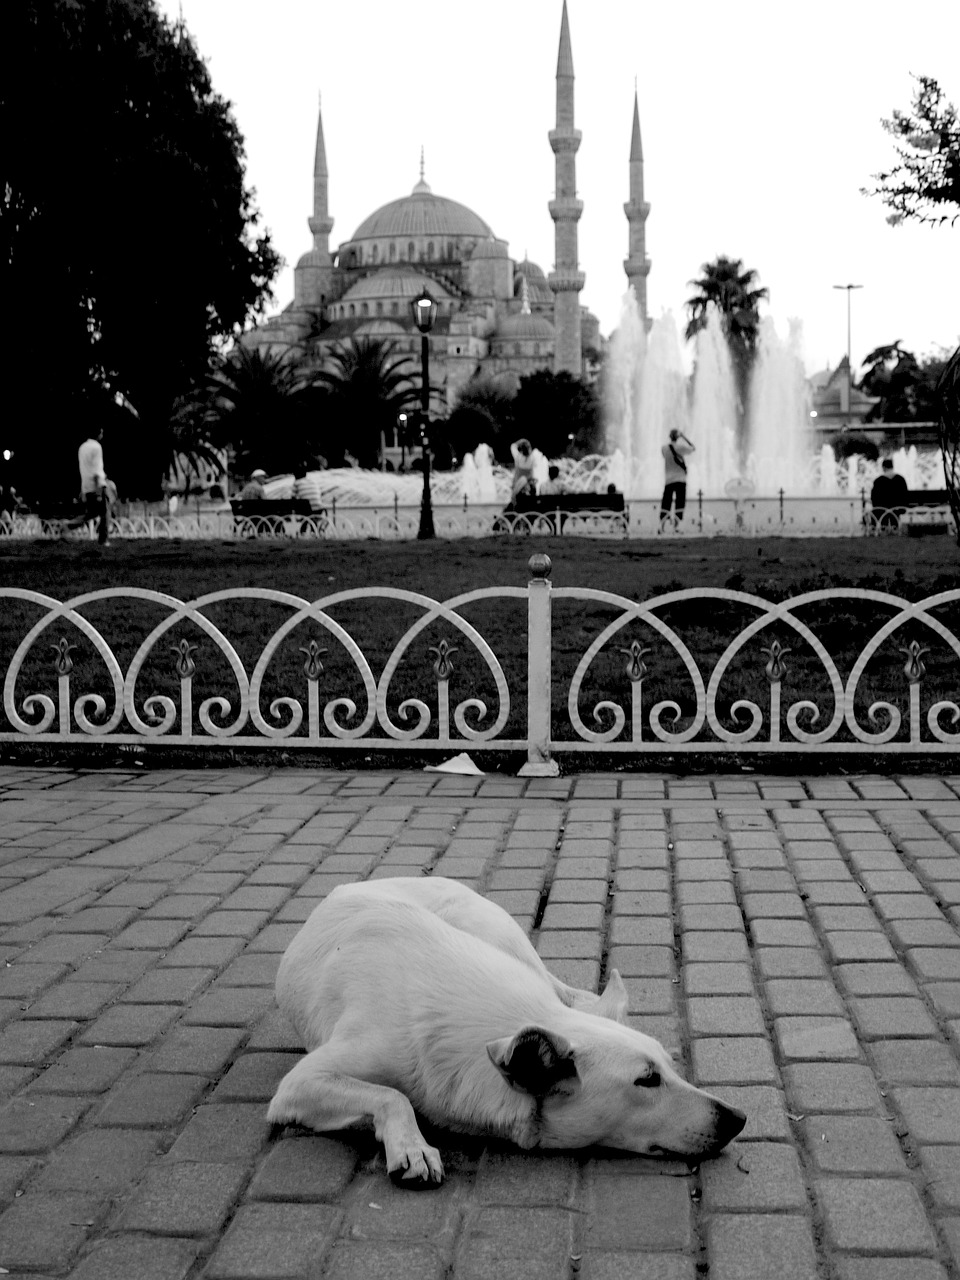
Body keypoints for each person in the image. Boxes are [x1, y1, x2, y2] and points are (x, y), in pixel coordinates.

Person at [77, 427, 110, 545]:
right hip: (97, 484)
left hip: (86, 485)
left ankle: (69, 525)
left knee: (91, 513)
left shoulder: (82, 448)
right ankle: (103, 539)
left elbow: (83, 469)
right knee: (105, 513)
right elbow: (97, 469)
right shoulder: (96, 447)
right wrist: (99, 489)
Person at [660, 429, 694, 530]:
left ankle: (662, 525)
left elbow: (664, 456)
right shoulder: (680, 447)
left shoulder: (664, 448)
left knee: (666, 503)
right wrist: (684, 437)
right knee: (680, 503)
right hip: (680, 479)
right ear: (677, 437)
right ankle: (676, 526)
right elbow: (693, 448)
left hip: (668, 480)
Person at [870, 458, 909, 532]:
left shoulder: (878, 481)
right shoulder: (901, 479)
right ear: (892, 467)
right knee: (892, 509)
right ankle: (894, 527)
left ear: (883, 467)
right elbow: (905, 495)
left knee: (877, 510)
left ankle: (883, 527)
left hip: (882, 508)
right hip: (898, 508)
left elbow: (874, 497)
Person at [508, 439, 537, 505]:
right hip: (528, 484)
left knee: (515, 501)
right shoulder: (532, 458)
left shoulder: (518, 457)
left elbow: (513, 446)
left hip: (517, 483)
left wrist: (522, 441)